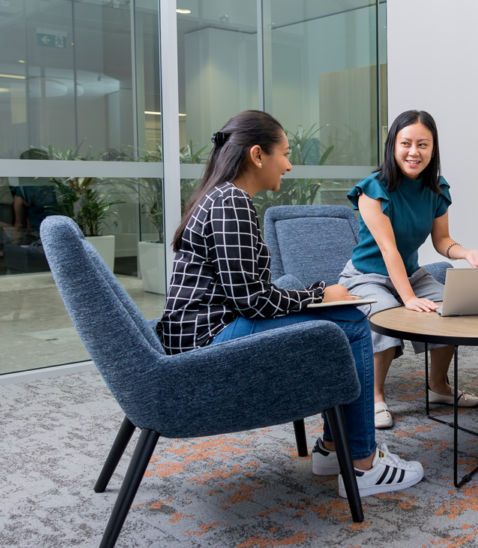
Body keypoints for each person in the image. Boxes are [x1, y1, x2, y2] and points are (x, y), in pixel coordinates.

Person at [156, 110, 424, 498]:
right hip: (207, 342)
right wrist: (319, 294)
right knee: (350, 324)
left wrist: (317, 298)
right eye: (283, 152)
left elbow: (246, 294)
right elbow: (252, 300)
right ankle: (363, 464)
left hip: (204, 332)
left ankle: (334, 449)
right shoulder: (231, 203)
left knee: (341, 319)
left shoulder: (221, 196)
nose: (289, 163)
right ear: (257, 155)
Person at [339, 110, 478, 429]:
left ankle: (438, 387)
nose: (414, 152)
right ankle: (375, 397)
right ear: (393, 146)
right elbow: (388, 249)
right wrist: (407, 298)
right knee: (384, 314)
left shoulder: (436, 187)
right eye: (406, 143)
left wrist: (467, 254)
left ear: (433, 148)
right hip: (366, 275)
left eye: (423, 144)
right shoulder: (373, 188)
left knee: (452, 309)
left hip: (411, 273)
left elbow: (442, 241)